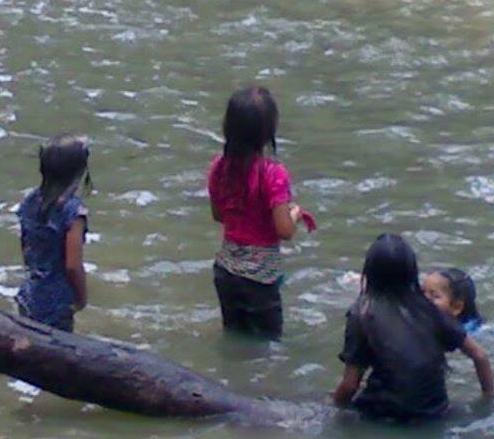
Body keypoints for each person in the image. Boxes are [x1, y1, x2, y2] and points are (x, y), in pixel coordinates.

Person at [334, 234, 493, 420]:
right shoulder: (431, 309)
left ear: (370, 273)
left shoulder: (361, 314)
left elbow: (350, 386)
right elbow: (480, 356)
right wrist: (488, 398)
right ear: (412, 271)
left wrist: (335, 409)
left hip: (387, 414)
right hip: (436, 411)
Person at [208, 86, 310, 339]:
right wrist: (295, 213)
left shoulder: (219, 168)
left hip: (225, 273)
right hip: (259, 279)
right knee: (268, 345)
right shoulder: (273, 174)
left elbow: (219, 215)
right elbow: (284, 231)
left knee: (234, 337)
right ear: (267, 133)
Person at [15, 135, 90, 332]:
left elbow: (26, 246)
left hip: (29, 295)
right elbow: (73, 266)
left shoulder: (30, 200)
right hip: (57, 303)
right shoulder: (74, 212)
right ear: (79, 172)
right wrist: (81, 299)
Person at [424, 268, 485, 334]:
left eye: (435, 296)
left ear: (456, 307)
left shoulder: (463, 335)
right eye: (422, 291)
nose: (424, 298)